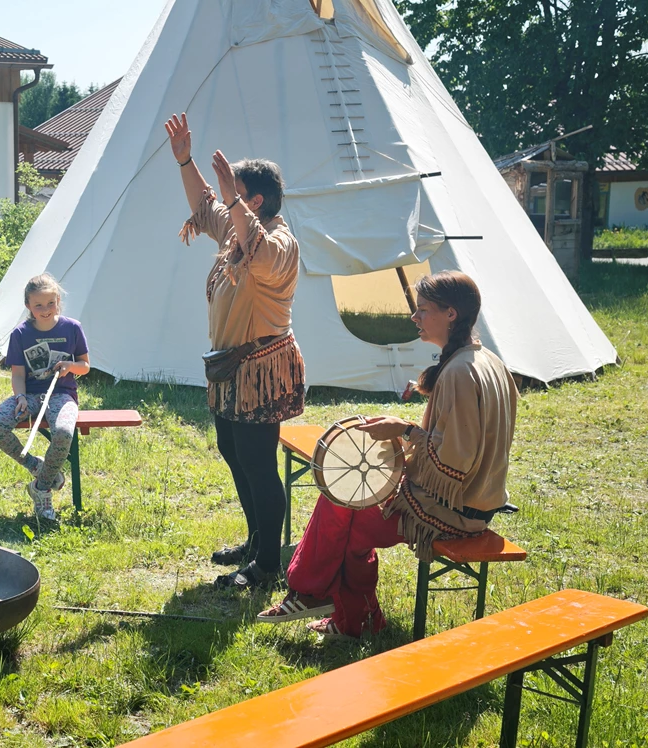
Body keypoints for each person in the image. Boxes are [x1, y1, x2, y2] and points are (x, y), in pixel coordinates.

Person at [257, 271, 518, 638]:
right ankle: (347, 614)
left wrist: (405, 431)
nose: (415, 317)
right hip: (472, 500)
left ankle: (320, 598)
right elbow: (463, 429)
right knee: (346, 501)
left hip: (454, 510)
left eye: (423, 310)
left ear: (451, 314)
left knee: (348, 510)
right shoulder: (483, 359)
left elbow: (456, 462)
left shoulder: (461, 372)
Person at [166, 112, 305, 589]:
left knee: (258, 462)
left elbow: (260, 254)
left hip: (261, 365)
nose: (228, 202)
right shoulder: (236, 226)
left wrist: (230, 200)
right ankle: (257, 539)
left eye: (238, 194)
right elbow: (205, 205)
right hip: (230, 366)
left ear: (256, 200)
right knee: (233, 450)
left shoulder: (282, 243)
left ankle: (268, 563)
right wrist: (185, 159)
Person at [0, 273, 90, 521]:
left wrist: (69, 365)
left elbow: (85, 366)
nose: (45, 310)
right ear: (28, 306)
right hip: (31, 394)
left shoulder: (72, 327)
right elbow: (18, 374)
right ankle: (37, 467)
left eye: (51, 303)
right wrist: (20, 397)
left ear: (58, 301)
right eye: (38, 305)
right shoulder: (20, 333)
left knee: (64, 432)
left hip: (62, 394)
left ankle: (41, 489)